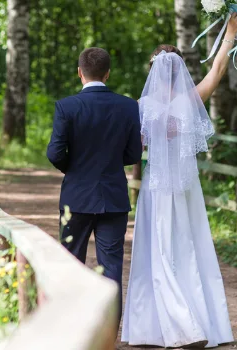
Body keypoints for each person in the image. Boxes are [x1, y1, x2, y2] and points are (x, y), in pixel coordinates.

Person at [121, 15, 237, 348]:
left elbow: (134, 146)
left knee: (157, 251)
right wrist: (229, 33)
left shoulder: (140, 107)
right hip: (187, 189)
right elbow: (217, 70)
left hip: (157, 188)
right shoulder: (189, 101)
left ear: (153, 69)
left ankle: (166, 326)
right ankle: (197, 320)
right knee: (189, 249)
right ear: (179, 70)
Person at [46, 47, 143, 327]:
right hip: (113, 197)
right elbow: (134, 154)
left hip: (76, 197)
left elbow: (54, 152)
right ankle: (108, 330)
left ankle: (70, 324)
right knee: (111, 265)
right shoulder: (128, 106)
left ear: (79, 72)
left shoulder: (67, 106)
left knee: (71, 261)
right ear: (108, 73)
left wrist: (73, 169)